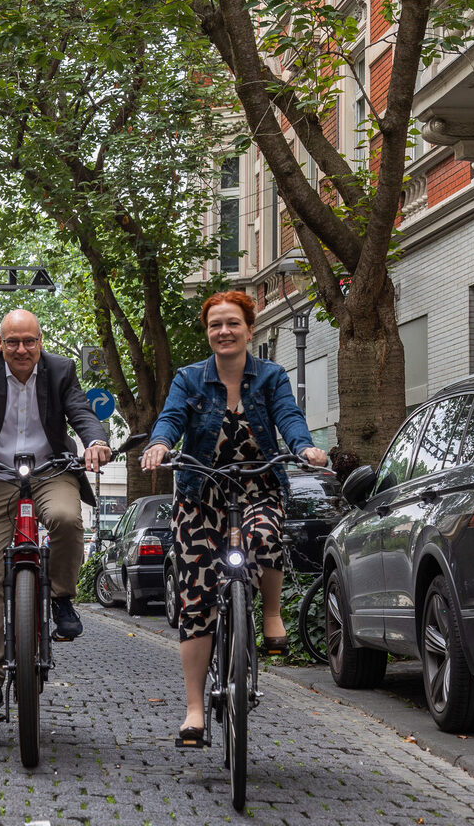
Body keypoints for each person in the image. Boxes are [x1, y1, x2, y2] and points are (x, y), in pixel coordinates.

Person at [140, 291, 326, 742]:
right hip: (200, 498)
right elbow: (170, 419)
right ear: (209, 333)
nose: (224, 332)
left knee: (265, 538)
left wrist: (305, 448)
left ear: (250, 329)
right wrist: (159, 444)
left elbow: (289, 417)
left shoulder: (272, 376)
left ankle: (271, 615)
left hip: (258, 489)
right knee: (196, 603)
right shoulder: (189, 379)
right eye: (215, 325)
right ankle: (194, 710)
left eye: (232, 324)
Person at [0, 309, 112, 721]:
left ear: (40, 341)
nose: (21, 349)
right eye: (12, 342)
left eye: (29, 341)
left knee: (68, 520)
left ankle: (62, 598)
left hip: (51, 469)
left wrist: (96, 441)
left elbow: (81, 411)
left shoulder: (60, 369)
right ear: (1, 343)